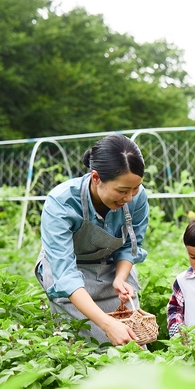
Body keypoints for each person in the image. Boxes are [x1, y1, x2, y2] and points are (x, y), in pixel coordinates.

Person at [34, 134, 149, 345]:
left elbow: (130, 246)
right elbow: (66, 275)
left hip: (110, 267)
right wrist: (106, 324)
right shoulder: (61, 203)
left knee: (133, 348)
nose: (130, 198)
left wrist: (120, 278)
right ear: (96, 178)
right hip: (71, 281)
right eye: (122, 190)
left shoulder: (136, 197)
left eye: (135, 188)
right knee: (84, 350)